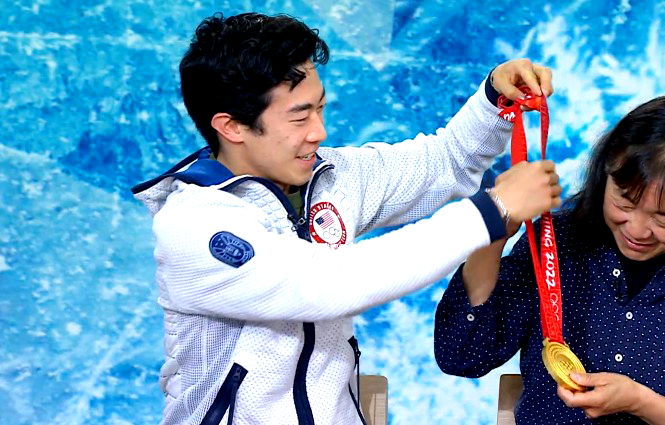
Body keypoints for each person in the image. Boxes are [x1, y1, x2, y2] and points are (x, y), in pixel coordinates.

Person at [131, 12, 562, 425]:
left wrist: (494, 100)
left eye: (319, 108)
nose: (318, 131)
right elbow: (326, 284)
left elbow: (446, 160)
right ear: (232, 127)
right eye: (299, 116)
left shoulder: (330, 175)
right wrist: (492, 211)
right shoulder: (194, 225)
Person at [434, 95, 665, 424]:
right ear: (605, 174)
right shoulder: (560, 241)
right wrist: (493, 232)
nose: (638, 230)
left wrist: (641, 403)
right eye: (625, 202)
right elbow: (461, 355)